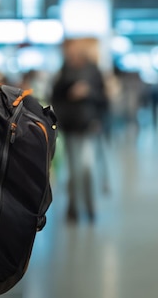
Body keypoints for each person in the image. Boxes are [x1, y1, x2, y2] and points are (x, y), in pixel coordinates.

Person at [51, 40, 108, 224]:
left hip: (89, 126)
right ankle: (73, 207)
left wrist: (88, 93)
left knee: (87, 168)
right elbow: (56, 99)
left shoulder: (93, 71)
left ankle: (90, 206)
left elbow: (103, 100)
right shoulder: (64, 72)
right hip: (70, 126)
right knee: (74, 170)